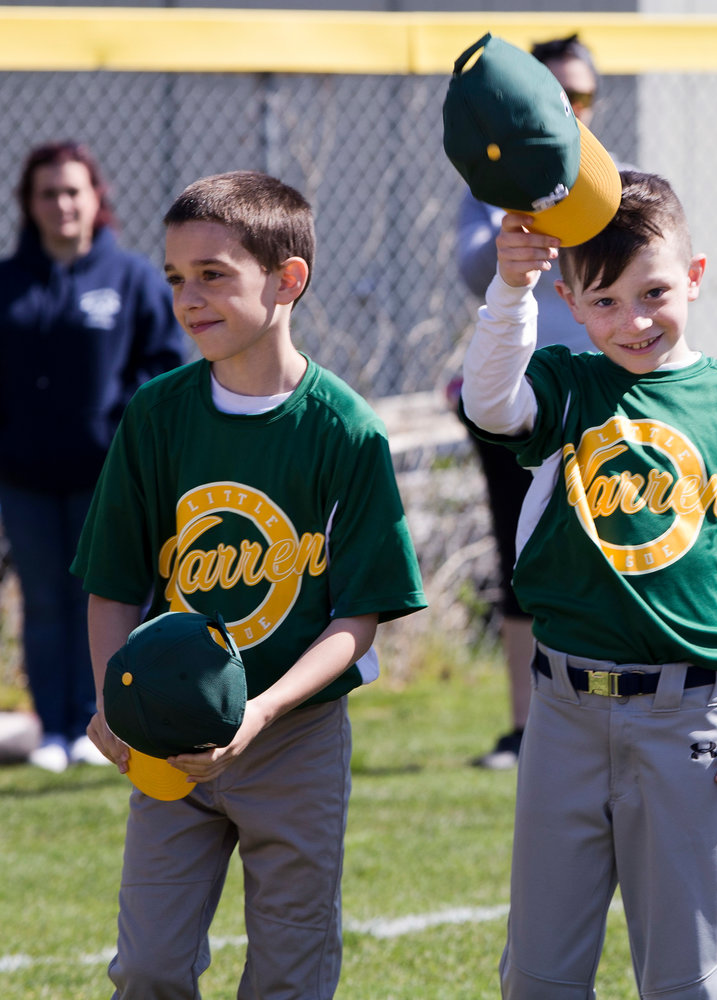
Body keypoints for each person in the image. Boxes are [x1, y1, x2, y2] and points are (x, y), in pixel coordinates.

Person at [460, 170, 717, 999]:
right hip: (561, 711)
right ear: (570, 298)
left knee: (689, 981)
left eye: (654, 292)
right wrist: (510, 288)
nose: (631, 321)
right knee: (539, 978)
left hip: (691, 718)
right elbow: (489, 403)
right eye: (601, 302)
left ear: (694, 278)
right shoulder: (571, 383)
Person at [73, 171, 426, 998]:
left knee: (289, 973)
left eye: (213, 275)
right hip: (164, 735)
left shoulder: (344, 430)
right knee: (151, 967)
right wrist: (112, 699)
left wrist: (262, 712)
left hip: (294, 736)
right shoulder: (157, 415)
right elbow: (114, 584)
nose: (188, 298)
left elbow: (359, 618)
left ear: (287, 279)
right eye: (175, 279)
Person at [0, 141, 186, 773]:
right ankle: (52, 727)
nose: (61, 204)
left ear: (95, 198)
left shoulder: (132, 278)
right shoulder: (8, 282)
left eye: (72, 191)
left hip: (105, 479)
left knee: (101, 596)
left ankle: (100, 720)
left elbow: (163, 367)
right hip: (23, 478)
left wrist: (121, 429)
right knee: (43, 600)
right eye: (47, 193)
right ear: (29, 203)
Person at [456, 33, 610, 770]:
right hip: (520, 395)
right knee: (522, 559)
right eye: (555, 97)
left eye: (580, 97)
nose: (570, 108)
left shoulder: (624, 181)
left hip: (605, 401)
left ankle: (606, 710)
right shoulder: (492, 185)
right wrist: (517, 225)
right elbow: (468, 270)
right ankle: (526, 727)